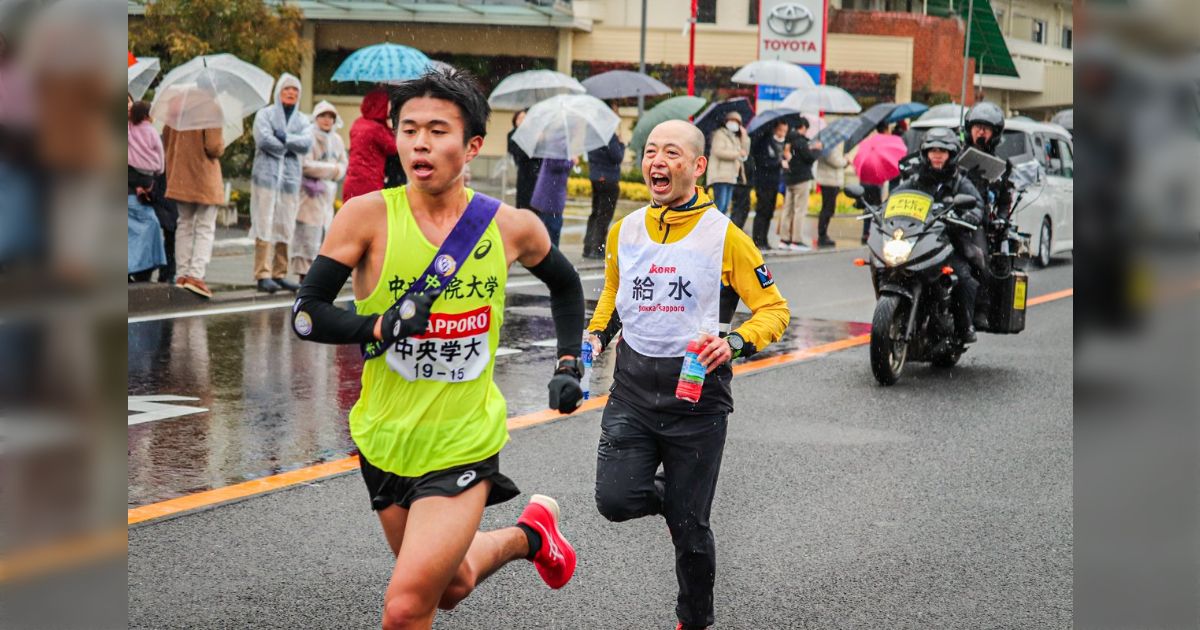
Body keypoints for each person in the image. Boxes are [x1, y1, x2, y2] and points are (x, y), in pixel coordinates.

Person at [290, 67, 583, 630]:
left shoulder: (508, 226)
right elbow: (306, 316)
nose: (419, 143)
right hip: (385, 436)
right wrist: (377, 328)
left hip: (462, 440)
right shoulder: (366, 217)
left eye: (438, 130)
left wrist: (569, 360)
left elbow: (567, 285)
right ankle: (530, 535)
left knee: (405, 608)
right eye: (408, 129)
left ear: (472, 145)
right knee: (450, 586)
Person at [586, 120, 790, 630]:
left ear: (698, 167)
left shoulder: (726, 237)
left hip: (696, 397)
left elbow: (774, 310)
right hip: (632, 389)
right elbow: (615, 295)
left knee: (690, 530)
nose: (657, 161)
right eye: (651, 151)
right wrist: (592, 337)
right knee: (615, 499)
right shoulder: (625, 229)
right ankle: (676, 497)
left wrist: (737, 341)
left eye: (671, 153)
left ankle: (693, 620)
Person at [891, 127, 984, 343]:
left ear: (951, 154)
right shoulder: (917, 179)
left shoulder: (959, 181)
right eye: (932, 150)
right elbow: (895, 198)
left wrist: (970, 216)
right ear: (925, 153)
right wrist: (879, 209)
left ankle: (964, 325)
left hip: (949, 241)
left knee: (961, 277)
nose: (937, 154)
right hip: (919, 239)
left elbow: (977, 203)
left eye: (943, 150)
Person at [251, 73, 313, 294]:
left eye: (295, 90)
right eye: (287, 89)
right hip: (266, 178)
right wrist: (289, 145)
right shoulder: (265, 114)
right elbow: (263, 139)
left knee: (285, 224)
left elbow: (306, 143)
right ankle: (262, 273)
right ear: (279, 92)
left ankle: (279, 273)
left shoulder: (303, 120)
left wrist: (285, 138)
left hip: (289, 180)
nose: (291, 93)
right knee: (264, 221)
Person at [960, 101, 1014, 329]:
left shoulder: (1001, 166)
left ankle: (981, 309)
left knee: (980, 257)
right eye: (977, 127)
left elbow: (1004, 199)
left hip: (976, 222)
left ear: (994, 134)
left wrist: (1002, 217)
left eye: (986, 128)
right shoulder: (953, 156)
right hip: (947, 216)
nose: (980, 132)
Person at [162, 107, 224, 299]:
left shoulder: (176, 108)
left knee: (184, 224)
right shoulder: (210, 108)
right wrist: (222, 143)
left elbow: (165, 139)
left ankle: (181, 274)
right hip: (203, 175)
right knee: (205, 226)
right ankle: (196, 276)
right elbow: (214, 147)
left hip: (180, 174)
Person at [291, 100, 348, 281]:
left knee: (325, 234)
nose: (327, 120)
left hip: (327, 196)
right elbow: (306, 165)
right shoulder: (308, 137)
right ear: (316, 117)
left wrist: (333, 171)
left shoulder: (337, 139)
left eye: (330, 116)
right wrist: (332, 170)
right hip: (309, 194)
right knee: (307, 235)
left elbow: (343, 164)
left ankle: (318, 275)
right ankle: (303, 275)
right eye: (323, 115)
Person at [127, 99, 166, 282]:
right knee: (150, 226)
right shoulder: (150, 131)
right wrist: (158, 169)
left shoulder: (128, 130)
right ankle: (144, 267)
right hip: (145, 181)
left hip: (130, 182)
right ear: (147, 115)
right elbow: (160, 157)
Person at [344, 89, 399, 202]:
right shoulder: (376, 128)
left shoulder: (358, 122)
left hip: (352, 180)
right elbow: (393, 148)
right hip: (370, 181)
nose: (388, 109)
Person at [780, 117, 822, 251]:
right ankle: (796, 240)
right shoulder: (800, 141)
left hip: (789, 179)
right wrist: (817, 150)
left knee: (787, 210)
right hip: (801, 179)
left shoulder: (788, 139)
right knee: (800, 210)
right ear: (803, 127)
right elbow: (809, 158)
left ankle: (784, 239)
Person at [584, 130, 624, 259]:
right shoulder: (608, 134)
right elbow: (617, 157)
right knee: (604, 215)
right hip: (608, 178)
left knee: (595, 213)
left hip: (596, 177)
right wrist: (621, 144)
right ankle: (597, 249)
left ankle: (588, 248)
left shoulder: (591, 134)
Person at [749, 119, 789, 250]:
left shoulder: (776, 143)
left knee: (769, 212)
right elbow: (763, 161)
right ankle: (757, 240)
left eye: (784, 131)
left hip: (774, 181)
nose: (782, 133)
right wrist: (778, 163)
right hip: (763, 181)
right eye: (780, 130)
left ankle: (764, 239)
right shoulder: (763, 142)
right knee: (762, 210)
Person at [705, 111, 749, 216]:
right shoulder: (720, 134)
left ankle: (720, 231)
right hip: (720, 175)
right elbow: (718, 152)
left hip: (731, 176)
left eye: (737, 122)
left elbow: (744, 152)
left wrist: (744, 137)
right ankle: (714, 231)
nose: (734, 124)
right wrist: (737, 153)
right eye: (732, 121)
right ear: (726, 122)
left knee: (725, 208)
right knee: (720, 206)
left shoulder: (735, 137)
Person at [529, 143, 572, 247]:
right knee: (552, 230)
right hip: (551, 197)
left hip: (551, 196)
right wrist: (571, 162)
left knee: (549, 229)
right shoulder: (557, 144)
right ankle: (549, 258)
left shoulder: (559, 144)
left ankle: (546, 256)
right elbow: (555, 164)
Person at [813, 137, 848, 249]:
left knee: (828, 209)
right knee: (827, 209)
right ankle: (822, 236)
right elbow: (835, 161)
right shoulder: (829, 146)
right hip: (829, 181)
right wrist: (846, 161)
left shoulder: (829, 145)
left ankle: (823, 235)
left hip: (830, 180)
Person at [507, 109, 542, 212]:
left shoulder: (533, 134)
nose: (522, 120)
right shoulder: (513, 134)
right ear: (515, 120)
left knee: (534, 201)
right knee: (523, 201)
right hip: (523, 171)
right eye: (520, 118)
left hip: (536, 172)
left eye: (525, 118)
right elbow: (516, 152)